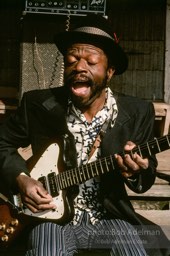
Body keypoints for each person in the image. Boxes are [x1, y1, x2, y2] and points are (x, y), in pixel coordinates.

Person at [0, 14, 169, 256]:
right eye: (72, 60)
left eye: (90, 61)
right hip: (49, 220)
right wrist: (22, 179)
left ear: (109, 71)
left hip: (109, 219)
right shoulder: (38, 103)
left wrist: (137, 171)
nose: (79, 67)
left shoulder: (137, 111)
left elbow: (146, 175)